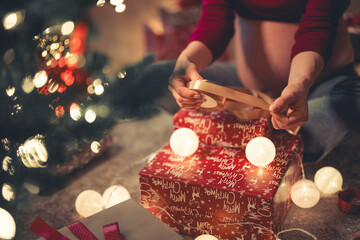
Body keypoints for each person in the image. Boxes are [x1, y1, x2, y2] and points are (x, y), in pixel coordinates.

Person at [167, 0, 360, 161]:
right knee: (156, 78)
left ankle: (252, 142)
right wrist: (186, 63)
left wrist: (299, 84)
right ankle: (266, 141)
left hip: (320, 85)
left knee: (346, 108)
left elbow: (319, 24)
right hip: (247, 86)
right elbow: (215, 17)